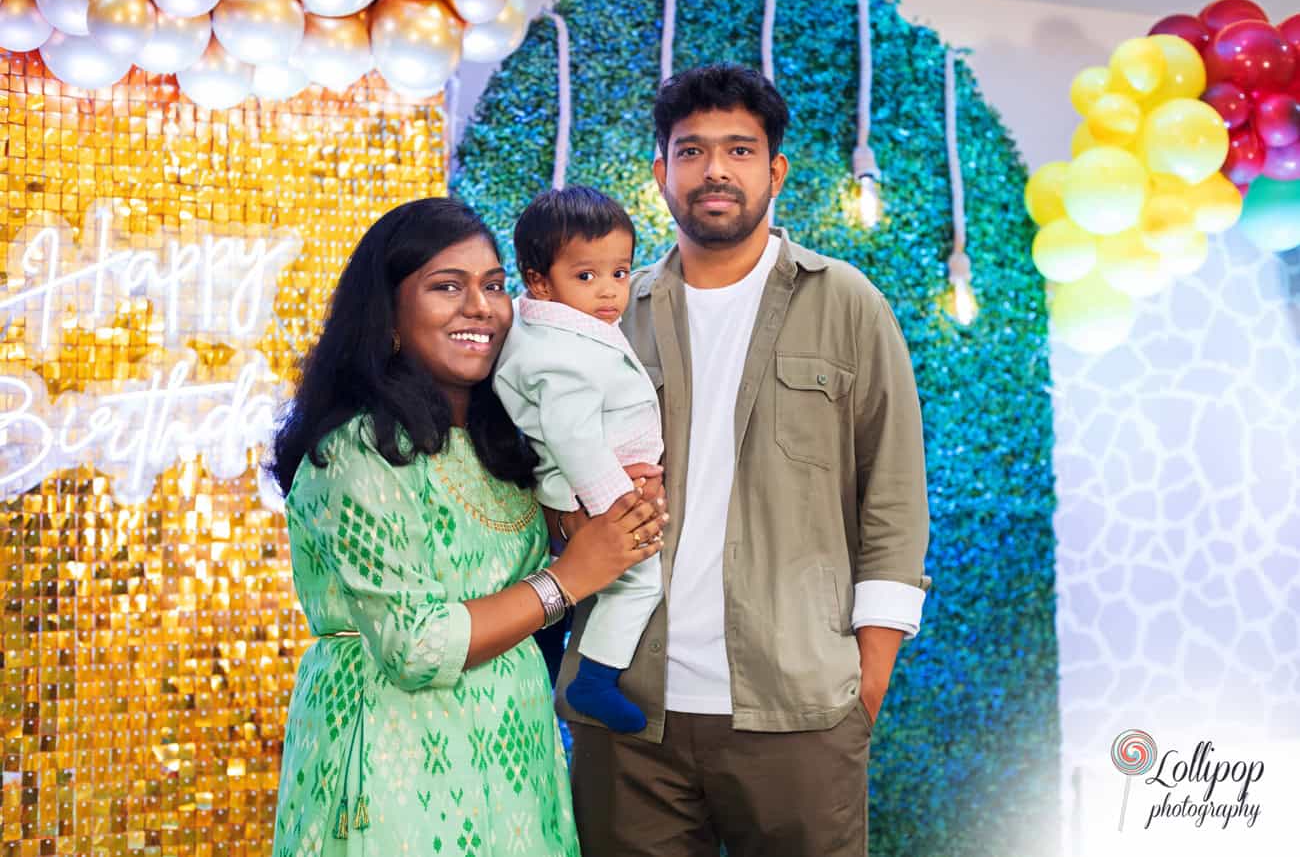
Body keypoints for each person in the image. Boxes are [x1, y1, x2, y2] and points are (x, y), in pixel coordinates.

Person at [555, 65, 932, 857]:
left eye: (739, 149)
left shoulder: (848, 303)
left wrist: (867, 677)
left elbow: (894, 497)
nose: (715, 170)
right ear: (660, 174)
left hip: (799, 711)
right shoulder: (610, 321)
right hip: (630, 712)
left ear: (775, 171)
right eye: (691, 151)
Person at [266, 197, 666, 857]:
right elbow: (415, 645)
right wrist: (568, 578)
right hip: (391, 759)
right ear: (389, 312)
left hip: (516, 755)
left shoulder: (500, 440)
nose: (480, 306)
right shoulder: (355, 453)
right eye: (447, 286)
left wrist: (590, 518)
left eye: (494, 285)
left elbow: (512, 550)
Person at [494, 186, 664, 734]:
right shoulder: (560, 354)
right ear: (539, 280)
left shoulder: (561, 328)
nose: (610, 292)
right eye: (586, 276)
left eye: (620, 272)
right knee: (640, 581)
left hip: (598, 482)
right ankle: (594, 678)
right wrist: (619, 510)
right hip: (591, 489)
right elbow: (575, 440)